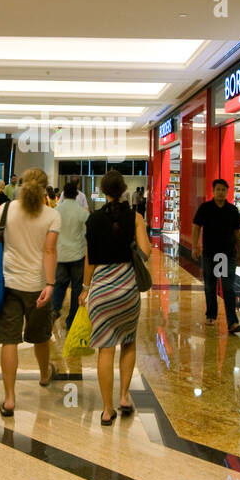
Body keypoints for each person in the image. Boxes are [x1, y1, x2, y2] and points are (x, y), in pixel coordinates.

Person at [81, 170, 152, 425]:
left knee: (105, 348)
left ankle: (106, 409)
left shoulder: (93, 219)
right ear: (123, 190)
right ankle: (123, 396)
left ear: (103, 191)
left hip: (101, 291)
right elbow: (146, 252)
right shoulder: (135, 217)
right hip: (127, 289)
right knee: (128, 342)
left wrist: (85, 288)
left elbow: (89, 259)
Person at [0, 168, 60, 417]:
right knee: (41, 336)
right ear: (45, 189)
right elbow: (49, 251)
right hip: (38, 286)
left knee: (9, 340)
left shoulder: (5, 209)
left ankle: (9, 399)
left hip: (8, 284)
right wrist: (50, 284)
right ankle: (44, 375)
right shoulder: (52, 215)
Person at [191, 178, 240, 334]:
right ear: (213, 191)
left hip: (228, 254)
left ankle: (232, 322)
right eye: (218, 189)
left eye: (223, 190)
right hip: (210, 254)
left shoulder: (232, 210)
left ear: (227, 192)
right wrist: (195, 246)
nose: (221, 192)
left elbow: (237, 233)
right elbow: (196, 227)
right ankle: (211, 315)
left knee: (228, 288)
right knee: (210, 286)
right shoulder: (205, 208)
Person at [50, 180, 89, 333]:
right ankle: (71, 320)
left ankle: (54, 309)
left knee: (60, 284)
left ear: (64, 194)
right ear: (76, 194)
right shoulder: (82, 212)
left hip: (61, 254)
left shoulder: (57, 211)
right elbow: (87, 232)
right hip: (77, 255)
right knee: (76, 287)